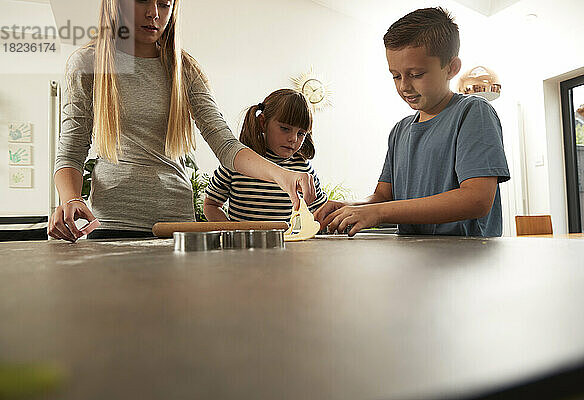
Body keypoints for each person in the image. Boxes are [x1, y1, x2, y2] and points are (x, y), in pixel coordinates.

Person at [49, 0, 316, 242]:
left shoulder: (185, 69)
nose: (153, 13)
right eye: (142, 1)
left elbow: (225, 144)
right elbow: (71, 152)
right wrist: (70, 198)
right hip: (113, 223)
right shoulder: (88, 63)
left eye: (164, 4)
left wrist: (282, 175)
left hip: (176, 224)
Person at [315, 7, 510, 237]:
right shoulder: (400, 131)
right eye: (396, 76)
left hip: (466, 259)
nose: (404, 86)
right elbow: (383, 197)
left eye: (416, 74)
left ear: (451, 68)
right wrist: (352, 207)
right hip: (413, 258)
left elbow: (476, 199)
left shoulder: (473, 112)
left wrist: (379, 212)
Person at [204, 89, 329, 222]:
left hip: (285, 243)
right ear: (263, 123)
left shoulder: (303, 169)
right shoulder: (236, 161)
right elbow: (211, 205)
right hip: (241, 243)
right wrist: (233, 233)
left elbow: (320, 211)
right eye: (285, 128)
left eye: (301, 133)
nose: (293, 138)